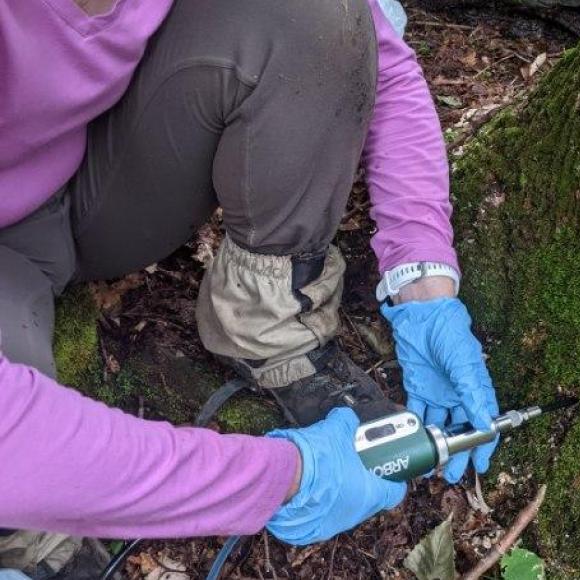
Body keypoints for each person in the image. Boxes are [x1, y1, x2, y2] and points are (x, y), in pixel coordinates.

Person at [0, 0, 500, 576]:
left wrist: (424, 287)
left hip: (92, 177)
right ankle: (27, 542)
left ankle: (264, 320)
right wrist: (284, 477)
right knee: (25, 492)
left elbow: (374, 56)